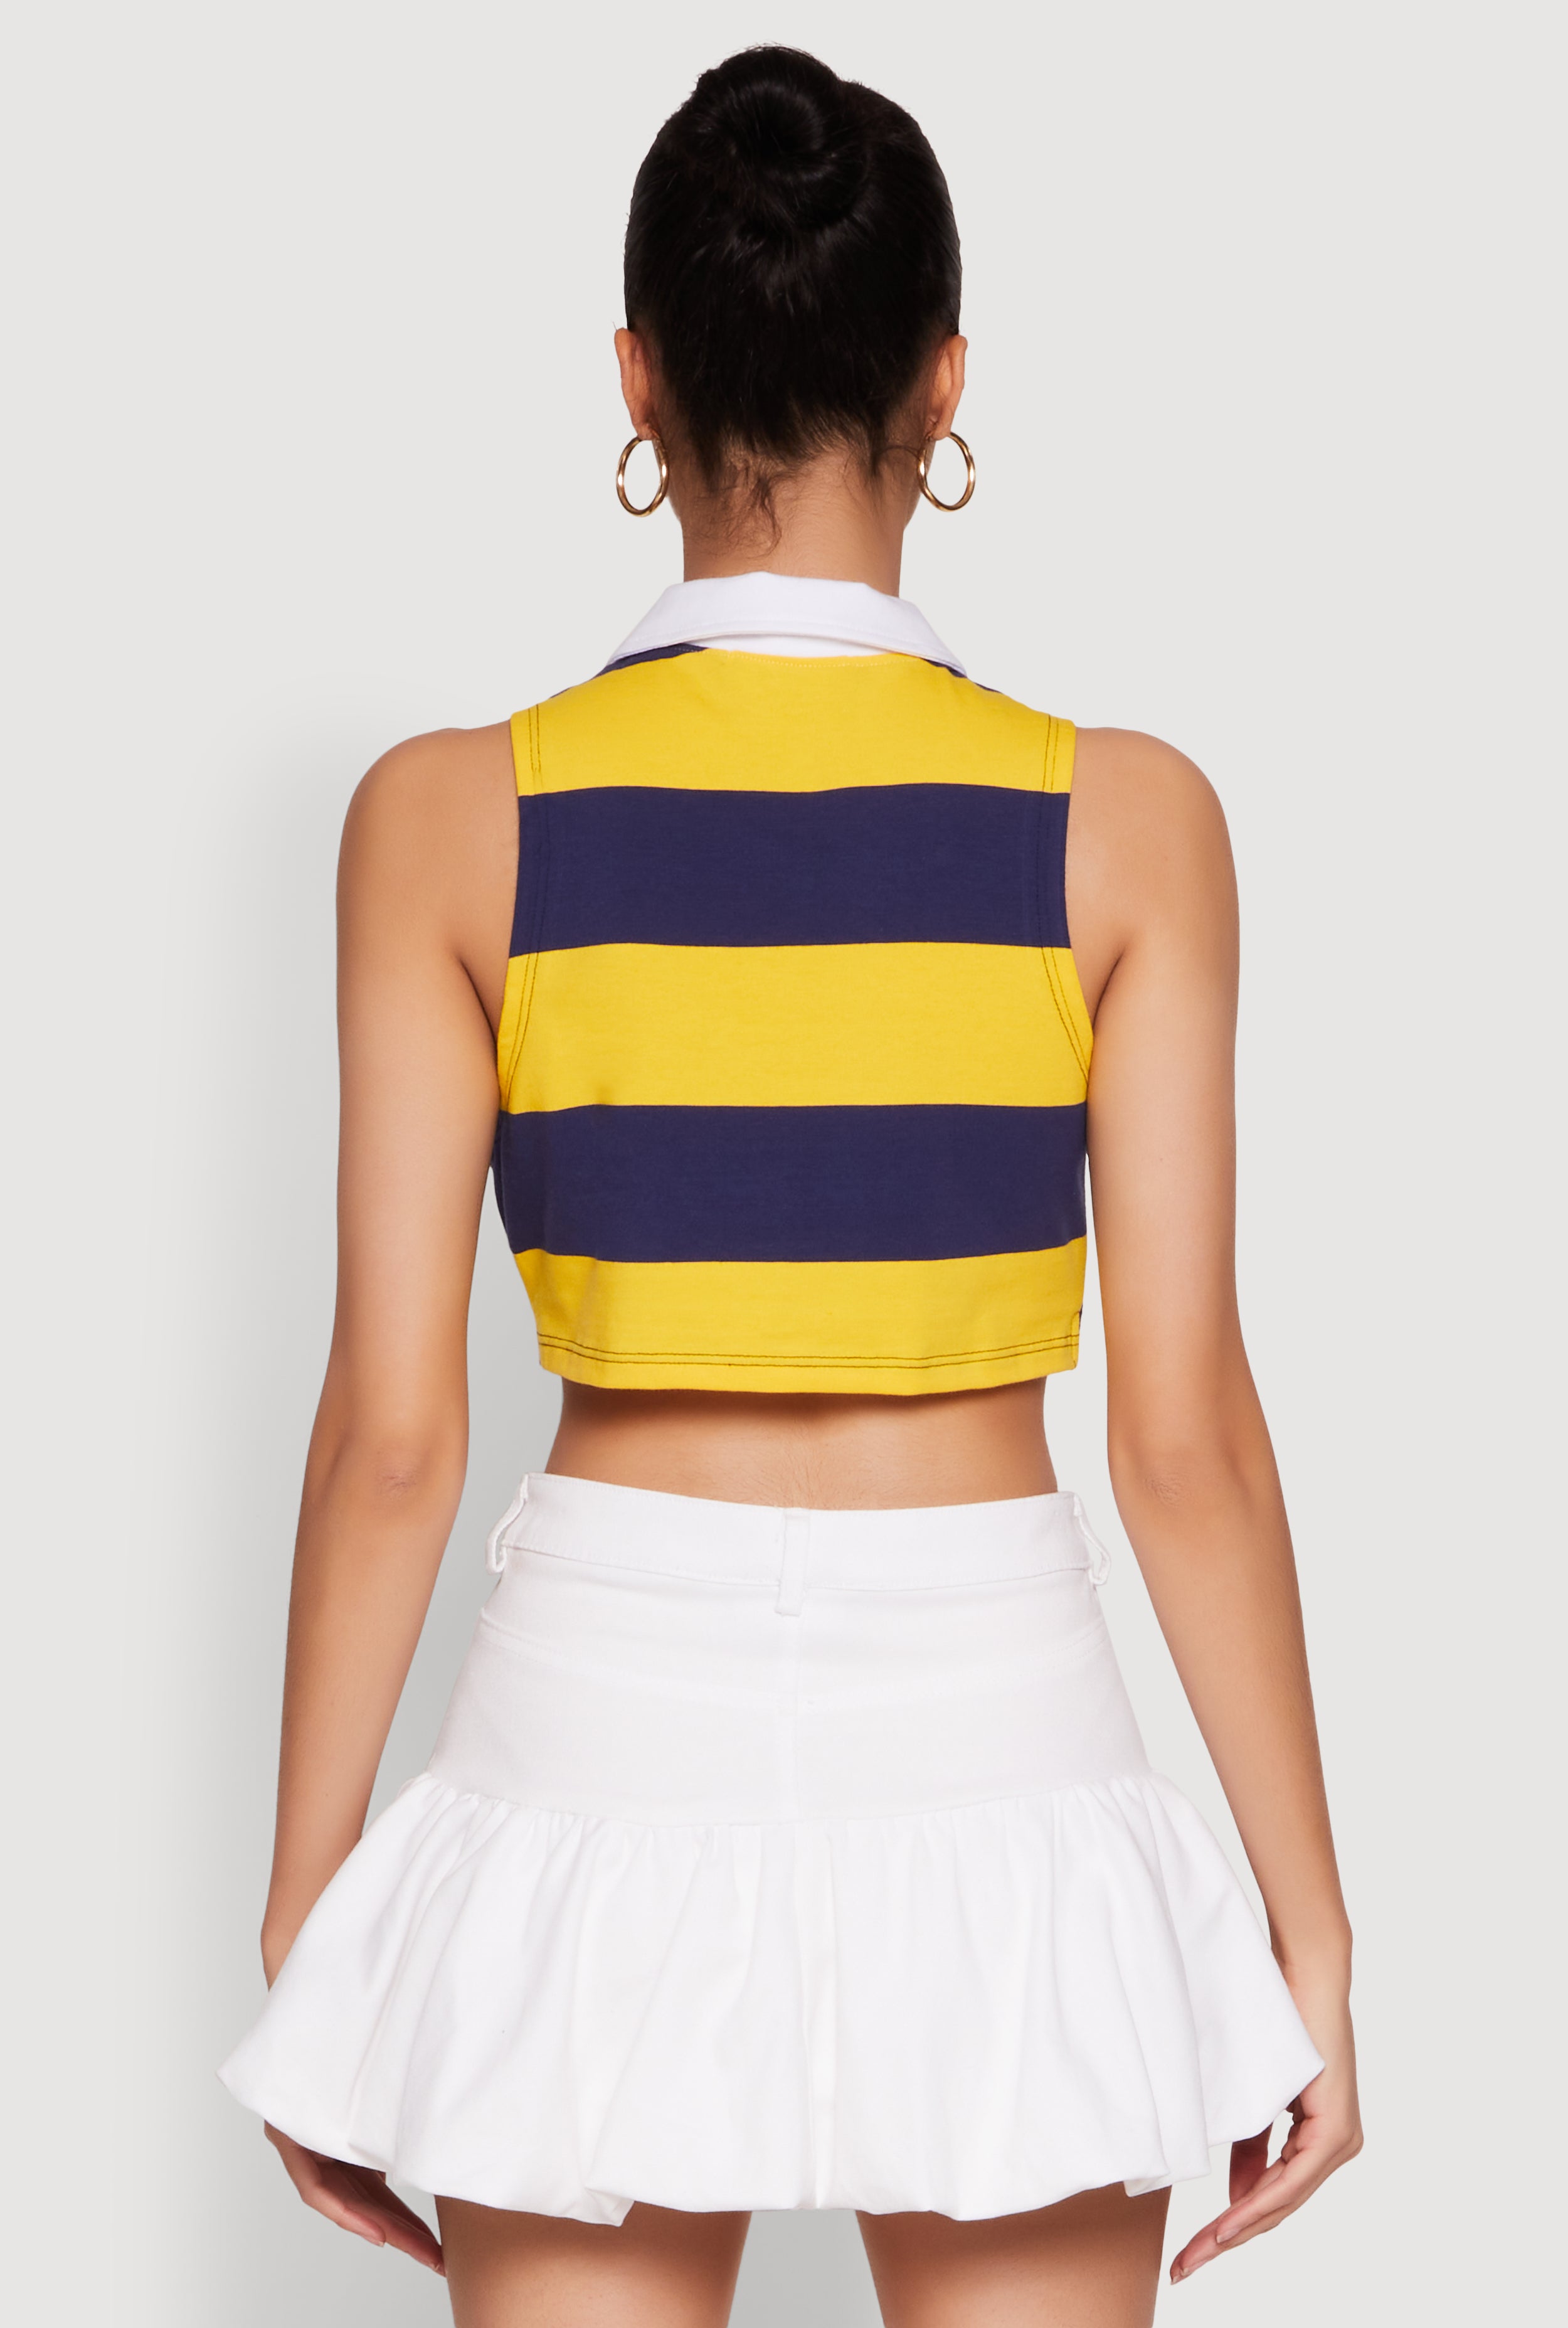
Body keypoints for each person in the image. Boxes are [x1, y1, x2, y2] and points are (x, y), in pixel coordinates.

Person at [220, 45, 1361, 2327]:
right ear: (943, 383)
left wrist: (310, 1920)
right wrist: (1305, 1930)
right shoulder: (1121, 823)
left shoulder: (449, 819)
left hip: (592, 1721)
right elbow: (1182, 1441)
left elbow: (392, 1440)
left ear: (638, 377)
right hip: (995, 1714)